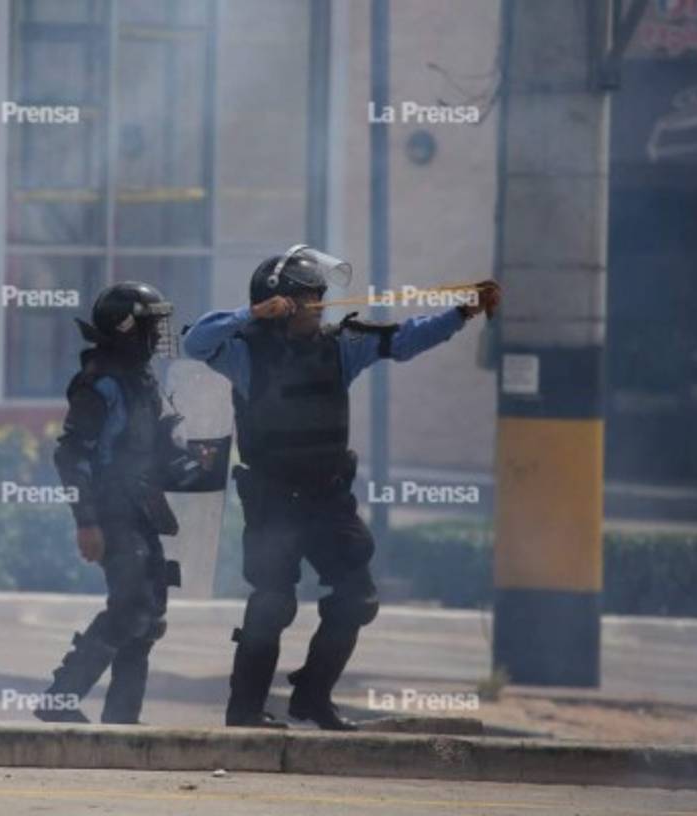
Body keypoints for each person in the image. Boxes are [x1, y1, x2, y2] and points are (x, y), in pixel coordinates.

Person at [183, 245, 500, 730]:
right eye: (307, 295)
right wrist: (251, 313)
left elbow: (406, 340)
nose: (317, 303)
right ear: (280, 302)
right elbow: (195, 344)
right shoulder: (245, 352)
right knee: (274, 602)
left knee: (357, 598)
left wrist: (462, 311)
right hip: (273, 500)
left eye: (318, 294)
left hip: (327, 498)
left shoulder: (340, 346)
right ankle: (244, 711)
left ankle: (312, 696)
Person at [37, 281, 205, 725]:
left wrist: (192, 462)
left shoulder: (143, 381)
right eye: (150, 327)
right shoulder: (100, 383)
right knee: (130, 606)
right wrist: (86, 521)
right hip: (110, 511)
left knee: (148, 616)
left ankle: (122, 720)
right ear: (127, 328)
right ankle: (59, 700)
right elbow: (70, 456)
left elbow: (161, 447)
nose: (157, 336)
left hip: (140, 509)